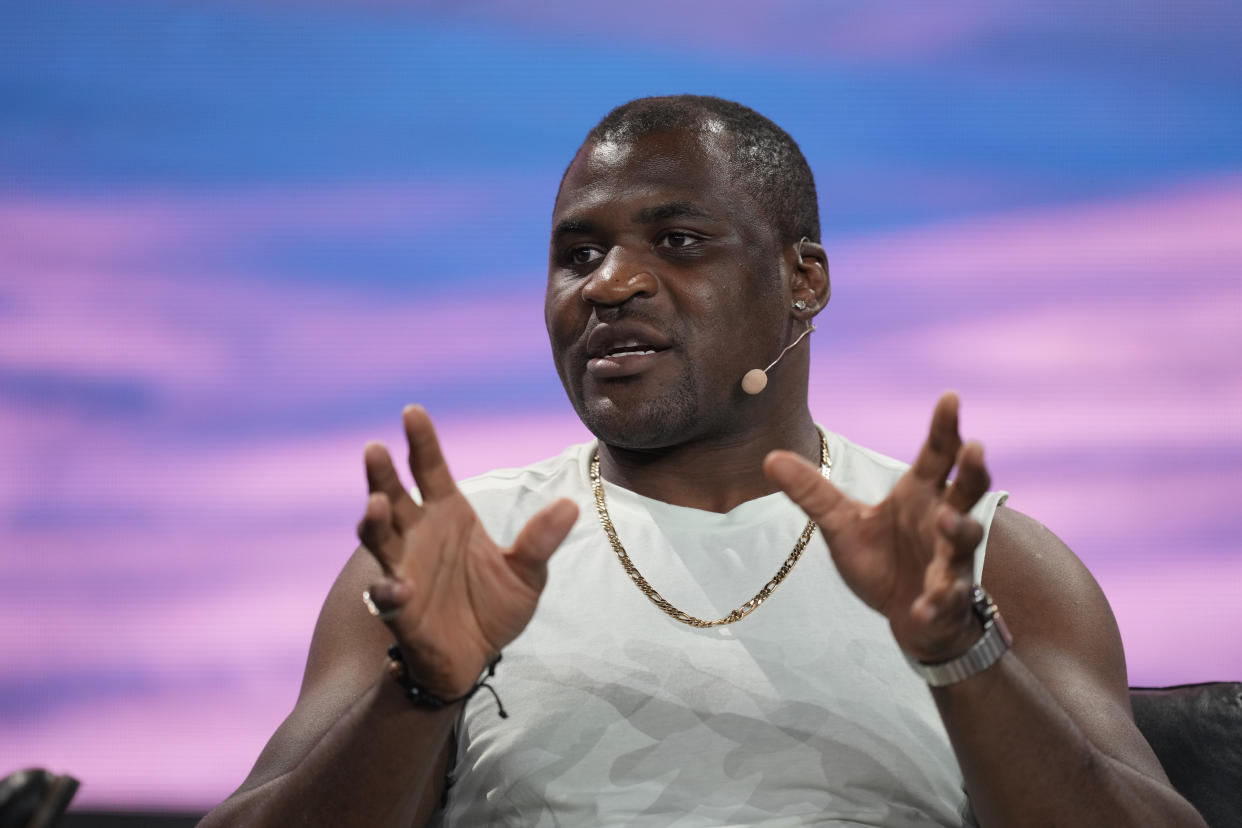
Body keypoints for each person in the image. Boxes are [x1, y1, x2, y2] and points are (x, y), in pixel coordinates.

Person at [200, 96, 1205, 827]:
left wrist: (958, 651)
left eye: (678, 241)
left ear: (802, 279)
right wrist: (418, 690)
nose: (611, 284)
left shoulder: (989, 564)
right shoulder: (453, 556)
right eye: (578, 253)